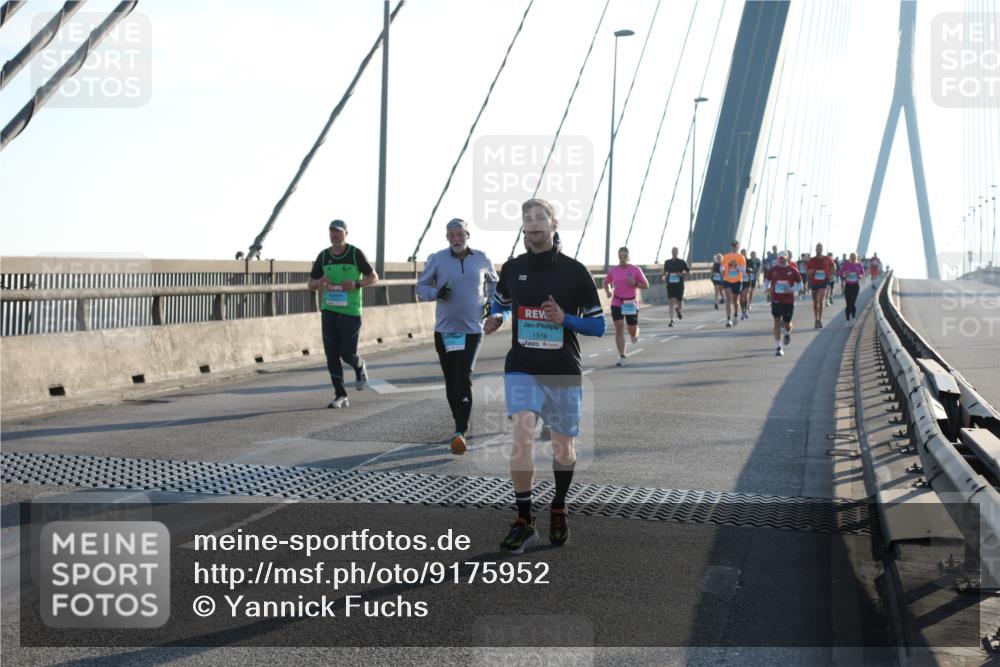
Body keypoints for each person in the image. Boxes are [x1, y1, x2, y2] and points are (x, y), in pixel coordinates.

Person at [484, 198, 606, 552]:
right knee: (521, 433)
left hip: (562, 370)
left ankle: (559, 506)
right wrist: (498, 317)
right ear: (523, 227)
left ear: (554, 224)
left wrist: (565, 318)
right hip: (522, 366)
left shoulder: (575, 272)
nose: (534, 222)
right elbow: (502, 302)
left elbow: (598, 326)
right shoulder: (512, 268)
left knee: (563, 448)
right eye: (528, 218)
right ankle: (524, 520)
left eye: (540, 217)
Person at [416, 218, 498, 455]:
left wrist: (491, 303)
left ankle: (461, 429)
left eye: (460, 234)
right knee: (451, 379)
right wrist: (436, 293)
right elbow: (420, 288)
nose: (456, 239)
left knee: (463, 375)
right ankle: (458, 424)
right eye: (451, 235)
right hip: (445, 330)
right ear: (447, 238)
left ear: (467, 236)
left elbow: (495, 283)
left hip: (472, 329)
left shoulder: (481, 258)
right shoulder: (437, 259)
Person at [308, 219, 379, 408]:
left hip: (350, 311)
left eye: (338, 232)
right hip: (329, 310)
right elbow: (310, 284)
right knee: (331, 355)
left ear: (346, 233)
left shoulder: (355, 254)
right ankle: (340, 395)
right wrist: (319, 282)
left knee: (347, 354)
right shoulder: (323, 256)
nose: (335, 235)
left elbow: (374, 277)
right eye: (332, 231)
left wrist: (356, 283)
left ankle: (359, 364)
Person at [605, 247, 649, 366]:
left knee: (632, 331)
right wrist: (608, 291)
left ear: (628, 257)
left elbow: (646, 285)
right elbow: (606, 282)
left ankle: (635, 333)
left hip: (630, 302)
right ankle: (622, 356)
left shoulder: (635, 270)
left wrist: (635, 283)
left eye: (624, 256)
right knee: (619, 327)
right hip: (617, 301)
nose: (622, 258)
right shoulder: (614, 270)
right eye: (620, 256)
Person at [767, 251, 802, 356]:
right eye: (780, 258)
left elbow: (800, 285)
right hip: (776, 300)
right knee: (777, 322)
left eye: (783, 258)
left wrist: (791, 289)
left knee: (787, 323)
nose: (781, 260)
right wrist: (766, 288)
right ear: (778, 259)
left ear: (787, 258)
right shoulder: (773, 270)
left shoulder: (793, 270)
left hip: (788, 301)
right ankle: (779, 347)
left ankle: (787, 333)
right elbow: (767, 280)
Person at [805, 243, 836, 328]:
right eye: (817, 248)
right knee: (815, 302)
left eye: (820, 248)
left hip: (823, 281)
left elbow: (834, 267)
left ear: (822, 249)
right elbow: (807, 271)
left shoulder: (827, 258)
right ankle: (816, 319)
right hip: (814, 282)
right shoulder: (811, 260)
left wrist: (831, 275)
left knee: (821, 301)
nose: (819, 250)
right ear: (815, 249)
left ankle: (820, 320)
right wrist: (810, 271)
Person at [720, 241, 746, 327]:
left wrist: (736, 266)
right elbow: (722, 266)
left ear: (738, 247)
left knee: (735, 301)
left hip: (737, 281)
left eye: (735, 246)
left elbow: (743, 270)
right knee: (728, 299)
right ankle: (728, 320)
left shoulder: (741, 257)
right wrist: (722, 270)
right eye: (732, 246)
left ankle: (735, 316)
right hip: (727, 280)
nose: (734, 247)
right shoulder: (726, 256)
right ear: (731, 247)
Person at [661, 246, 689, 326]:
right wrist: (663, 277)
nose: (674, 252)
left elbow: (687, 271)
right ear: (671, 252)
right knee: (671, 301)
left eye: (675, 251)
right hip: (670, 284)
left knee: (679, 301)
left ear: (678, 252)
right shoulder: (667, 262)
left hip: (679, 284)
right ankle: (672, 320)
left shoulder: (682, 262)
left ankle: (679, 310)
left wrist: (682, 274)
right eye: (673, 251)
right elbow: (665, 272)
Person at [839, 252, 864, 327]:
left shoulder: (859, 265)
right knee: (848, 304)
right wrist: (845, 274)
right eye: (851, 257)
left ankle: (853, 318)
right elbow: (840, 273)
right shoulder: (846, 265)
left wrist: (859, 275)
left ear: (856, 258)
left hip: (855, 286)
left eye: (854, 257)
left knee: (852, 303)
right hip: (848, 285)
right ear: (850, 258)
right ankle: (847, 320)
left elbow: (862, 273)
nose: (853, 258)